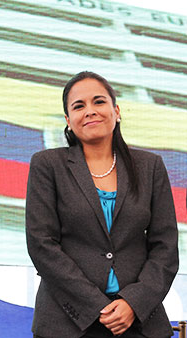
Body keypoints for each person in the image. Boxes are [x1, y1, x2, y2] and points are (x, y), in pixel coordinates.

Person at [25, 71, 179, 338]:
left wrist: (134, 302)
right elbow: (41, 244)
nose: (90, 111)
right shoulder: (47, 165)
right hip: (68, 323)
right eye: (78, 106)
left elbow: (165, 247)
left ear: (116, 110)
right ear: (68, 120)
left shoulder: (150, 166)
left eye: (99, 102)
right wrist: (97, 306)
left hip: (139, 322)